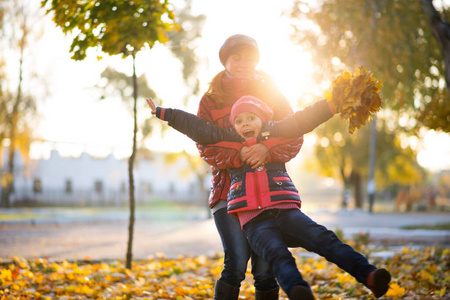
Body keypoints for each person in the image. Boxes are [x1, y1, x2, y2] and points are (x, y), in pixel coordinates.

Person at [146, 95, 392, 300]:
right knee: (277, 256)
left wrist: (333, 103)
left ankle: (369, 275)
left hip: (286, 211)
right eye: (239, 121)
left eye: (251, 118)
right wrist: (163, 112)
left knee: (324, 238)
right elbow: (196, 127)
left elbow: (305, 119)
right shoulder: (228, 140)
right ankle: (298, 291)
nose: (245, 124)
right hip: (255, 221)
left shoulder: (277, 133)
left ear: (262, 119)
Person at [194, 34, 303, 300]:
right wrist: (239, 154)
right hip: (227, 193)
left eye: (250, 58)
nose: (243, 63)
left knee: (266, 269)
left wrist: (266, 149)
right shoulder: (211, 99)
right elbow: (204, 145)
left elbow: (294, 134)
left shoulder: (272, 93)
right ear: (225, 60)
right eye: (236, 57)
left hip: (269, 192)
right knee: (236, 264)